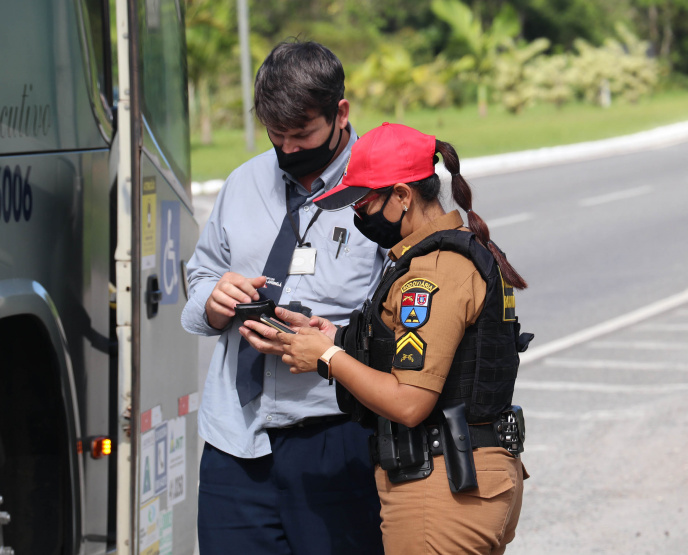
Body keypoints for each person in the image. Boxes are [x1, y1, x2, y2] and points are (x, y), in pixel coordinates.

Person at [276, 122, 532, 554]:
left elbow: (410, 402)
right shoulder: (459, 250)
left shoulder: (431, 271)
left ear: (402, 196)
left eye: (364, 202)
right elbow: (429, 350)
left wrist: (330, 357)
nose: (358, 215)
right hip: (468, 475)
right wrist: (335, 336)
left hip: (440, 489)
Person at [181, 40, 387, 555]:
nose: (290, 150)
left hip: (338, 441)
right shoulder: (243, 182)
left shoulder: (387, 193)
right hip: (235, 440)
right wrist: (213, 297)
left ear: (341, 113)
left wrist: (334, 345)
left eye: (303, 134)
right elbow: (201, 270)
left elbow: (415, 330)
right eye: (278, 136)